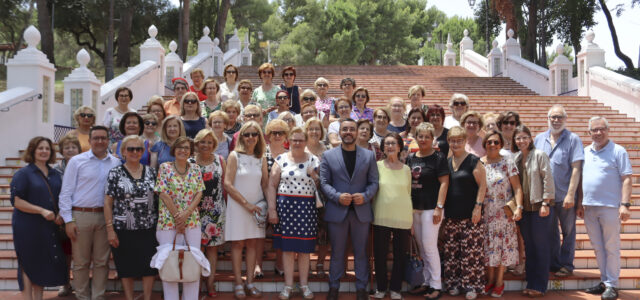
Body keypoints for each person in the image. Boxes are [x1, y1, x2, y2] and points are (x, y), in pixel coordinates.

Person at [319, 118, 379, 300]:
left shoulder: (368, 156)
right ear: (340, 132)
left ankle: (361, 289)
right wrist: (337, 196)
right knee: (337, 252)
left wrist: (366, 195)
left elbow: (374, 182)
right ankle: (334, 288)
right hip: (338, 211)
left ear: (357, 132)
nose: (348, 132)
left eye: (352, 129)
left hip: (361, 212)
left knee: (361, 253)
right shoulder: (329, 155)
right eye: (345, 129)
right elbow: (324, 182)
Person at [59, 126, 121, 300]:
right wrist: (68, 220)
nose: (100, 141)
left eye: (103, 138)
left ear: (108, 140)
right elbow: (65, 193)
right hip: (81, 215)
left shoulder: (115, 163)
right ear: (90, 140)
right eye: (96, 138)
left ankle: (98, 297)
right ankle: (82, 297)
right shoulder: (77, 161)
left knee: (102, 262)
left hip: (105, 217)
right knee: (81, 262)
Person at [581, 116, 632, 300]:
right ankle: (604, 281)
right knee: (597, 246)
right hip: (589, 206)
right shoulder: (585, 151)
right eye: (594, 130)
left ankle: (612, 284)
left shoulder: (618, 151)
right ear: (589, 133)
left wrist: (625, 205)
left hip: (610, 206)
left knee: (611, 246)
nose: (598, 133)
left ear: (608, 130)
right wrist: (580, 202)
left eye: (602, 129)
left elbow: (626, 178)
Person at [10, 137, 68, 300]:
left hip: (48, 225)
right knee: (28, 262)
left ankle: (38, 297)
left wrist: (60, 213)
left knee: (42, 261)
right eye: (40, 148)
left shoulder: (55, 174)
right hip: (27, 225)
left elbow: (61, 197)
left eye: (47, 148)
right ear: (32, 151)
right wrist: (41, 210)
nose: (44, 151)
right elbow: (16, 201)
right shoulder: (24, 174)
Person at [267, 127, 320, 300]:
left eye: (300, 140)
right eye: (294, 140)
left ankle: (304, 285)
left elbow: (320, 186)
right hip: (286, 210)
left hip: (306, 210)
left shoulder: (313, 159)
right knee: (288, 250)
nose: (297, 143)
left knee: (304, 251)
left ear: (305, 142)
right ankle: (288, 285)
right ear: (288, 141)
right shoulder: (280, 159)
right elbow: (271, 185)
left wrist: (314, 176)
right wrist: (272, 209)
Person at [104, 135, 158, 300]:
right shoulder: (115, 173)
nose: (135, 152)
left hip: (148, 227)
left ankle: (147, 297)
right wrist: (110, 229)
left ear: (143, 151)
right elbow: (107, 202)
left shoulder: (152, 172)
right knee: (126, 267)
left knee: (148, 266)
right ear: (123, 152)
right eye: (131, 149)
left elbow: (159, 199)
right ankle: (129, 297)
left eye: (139, 149)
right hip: (123, 228)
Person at [533, 104, 583, 278]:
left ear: (565, 119)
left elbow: (576, 168)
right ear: (548, 119)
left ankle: (567, 264)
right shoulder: (539, 139)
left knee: (568, 231)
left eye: (559, 117)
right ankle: (555, 263)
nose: (556, 120)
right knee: (550, 231)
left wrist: (571, 194)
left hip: (565, 196)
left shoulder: (573, 139)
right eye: (553, 117)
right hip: (546, 197)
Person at [154, 136, 206, 300]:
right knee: (169, 263)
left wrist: (186, 214)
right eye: (179, 147)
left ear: (190, 151)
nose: (183, 150)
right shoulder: (165, 167)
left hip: (192, 222)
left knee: (192, 262)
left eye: (186, 147)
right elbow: (162, 193)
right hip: (168, 222)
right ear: (174, 150)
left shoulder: (196, 169)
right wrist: (178, 218)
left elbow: (199, 193)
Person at [224, 121, 269, 299]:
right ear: (241, 136)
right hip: (238, 206)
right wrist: (246, 204)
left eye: (254, 134)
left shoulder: (262, 157)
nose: (251, 137)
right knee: (237, 244)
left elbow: (265, 184)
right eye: (247, 134)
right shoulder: (234, 156)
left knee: (252, 244)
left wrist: (270, 207)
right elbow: (227, 184)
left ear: (259, 137)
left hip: (257, 207)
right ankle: (237, 283)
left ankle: (250, 282)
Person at [441, 126, 486, 300]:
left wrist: (478, 206)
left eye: (459, 140)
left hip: (470, 215)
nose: (455, 143)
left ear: (465, 141)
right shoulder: (446, 162)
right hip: (451, 215)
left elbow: (483, 185)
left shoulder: (474, 161)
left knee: (471, 253)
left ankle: (472, 286)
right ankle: (453, 284)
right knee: (452, 252)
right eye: (452, 140)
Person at [405, 123, 449, 300]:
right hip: (415, 208)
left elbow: (444, 183)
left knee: (430, 247)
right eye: (420, 136)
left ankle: (436, 285)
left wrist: (439, 207)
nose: (423, 140)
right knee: (422, 247)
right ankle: (426, 281)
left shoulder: (438, 157)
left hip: (432, 208)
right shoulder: (410, 157)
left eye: (427, 137)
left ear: (433, 139)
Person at [512, 125, 555, 297]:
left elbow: (548, 180)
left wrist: (546, 202)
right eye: (518, 138)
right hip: (524, 210)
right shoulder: (516, 158)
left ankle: (540, 284)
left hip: (539, 208)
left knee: (540, 246)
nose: (521, 141)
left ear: (530, 138)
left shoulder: (539, 155)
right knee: (529, 246)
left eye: (524, 137)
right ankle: (531, 281)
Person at [481, 130, 523, 298]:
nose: (492, 145)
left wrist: (519, 207)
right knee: (489, 247)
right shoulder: (479, 163)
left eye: (496, 142)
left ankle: (499, 281)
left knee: (502, 247)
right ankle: (489, 279)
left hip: (504, 212)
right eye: (489, 142)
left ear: (501, 145)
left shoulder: (508, 162)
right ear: (484, 144)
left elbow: (517, 187)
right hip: (486, 213)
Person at [371, 133, 412, 300]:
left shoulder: (407, 169)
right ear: (383, 147)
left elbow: (408, 193)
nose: (390, 146)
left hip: (403, 217)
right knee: (380, 254)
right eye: (387, 143)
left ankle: (396, 288)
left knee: (400, 254)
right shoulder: (377, 166)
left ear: (399, 146)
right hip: (381, 216)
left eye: (393, 143)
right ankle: (381, 288)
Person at [189, 129, 227, 298]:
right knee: (196, 250)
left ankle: (210, 283)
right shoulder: (189, 162)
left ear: (214, 145)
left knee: (212, 250)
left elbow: (225, 185)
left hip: (215, 212)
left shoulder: (220, 160)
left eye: (209, 142)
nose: (206, 145)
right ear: (197, 144)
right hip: (194, 212)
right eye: (202, 142)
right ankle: (195, 284)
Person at [258, 119, 290, 278]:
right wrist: (271, 204)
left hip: (285, 199)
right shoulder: (263, 153)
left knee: (282, 233)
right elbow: (264, 182)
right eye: (273, 133)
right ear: (268, 135)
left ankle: (280, 263)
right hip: (263, 197)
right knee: (259, 231)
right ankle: (258, 264)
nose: (277, 135)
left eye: (281, 132)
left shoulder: (290, 155)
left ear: (286, 135)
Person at [53, 135, 81, 297]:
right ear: (61, 151)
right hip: (62, 216)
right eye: (67, 147)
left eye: (73, 147)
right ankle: (65, 283)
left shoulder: (84, 165)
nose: (70, 150)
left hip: (81, 212)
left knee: (81, 253)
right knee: (66, 253)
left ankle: (80, 283)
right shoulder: (55, 170)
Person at [304, 118, 330, 277]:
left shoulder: (327, 150)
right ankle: (305, 264)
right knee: (305, 232)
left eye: (317, 129)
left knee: (323, 232)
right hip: (303, 196)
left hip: (323, 196)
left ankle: (320, 262)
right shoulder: (300, 148)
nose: (314, 132)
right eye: (311, 129)